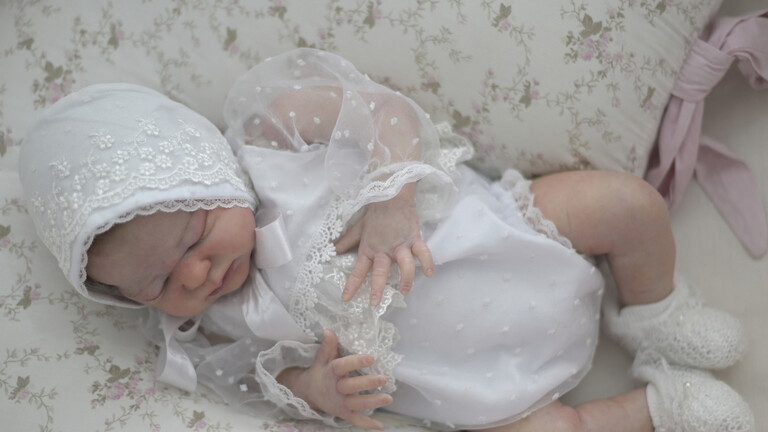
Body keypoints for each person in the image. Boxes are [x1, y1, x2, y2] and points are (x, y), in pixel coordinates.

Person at [19, 48, 754, 432]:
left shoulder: (271, 136)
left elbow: (380, 111)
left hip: (507, 237)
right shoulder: (209, 329)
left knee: (626, 204)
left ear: (207, 167)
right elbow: (262, 381)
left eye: (194, 235)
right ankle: (660, 408)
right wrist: (314, 390)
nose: (193, 276)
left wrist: (391, 193)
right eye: (155, 285)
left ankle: (654, 314)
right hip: (485, 386)